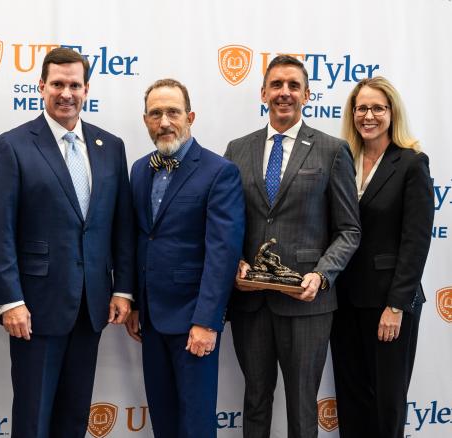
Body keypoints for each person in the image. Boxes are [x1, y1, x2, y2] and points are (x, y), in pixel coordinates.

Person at [0, 47, 135, 438]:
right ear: (41, 87)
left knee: (73, 416)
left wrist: (123, 289)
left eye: (74, 85)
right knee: (33, 418)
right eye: (57, 84)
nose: (66, 93)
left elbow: (120, 226)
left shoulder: (110, 147)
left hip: (91, 306)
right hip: (34, 307)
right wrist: (10, 301)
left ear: (86, 89)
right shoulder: (11, 145)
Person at [224, 55, 361, 438]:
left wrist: (323, 273)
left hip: (308, 304)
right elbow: (225, 221)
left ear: (307, 94)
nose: (285, 92)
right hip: (250, 302)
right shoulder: (237, 149)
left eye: (293, 85)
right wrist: (233, 260)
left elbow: (349, 229)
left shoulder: (332, 150)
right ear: (263, 92)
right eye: (277, 84)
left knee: (303, 408)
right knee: (254, 401)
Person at [124, 78, 244, 438]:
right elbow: (139, 239)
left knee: (195, 424)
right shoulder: (139, 170)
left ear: (190, 117)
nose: (164, 122)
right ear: (145, 120)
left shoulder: (219, 171)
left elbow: (223, 252)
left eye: (173, 112)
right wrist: (133, 303)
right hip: (150, 319)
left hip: (194, 320)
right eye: (156, 113)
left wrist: (207, 322)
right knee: (164, 420)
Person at [330, 77, 434, 438]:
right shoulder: (342, 160)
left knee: (387, 403)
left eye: (378, 108)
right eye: (361, 108)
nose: (368, 115)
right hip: (344, 301)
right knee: (351, 397)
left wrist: (396, 306)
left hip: (389, 303)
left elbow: (416, 241)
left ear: (392, 112)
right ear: (352, 113)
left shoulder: (411, 163)